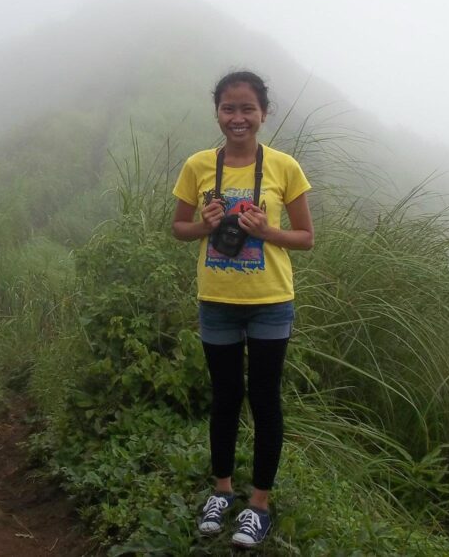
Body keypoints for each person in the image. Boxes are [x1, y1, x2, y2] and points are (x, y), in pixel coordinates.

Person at [171, 71, 314, 549]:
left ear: (263, 113)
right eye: (229, 109)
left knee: (266, 399)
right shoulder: (197, 166)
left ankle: (259, 505)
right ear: (217, 112)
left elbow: (306, 239)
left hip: (271, 302)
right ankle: (222, 491)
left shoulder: (284, 167)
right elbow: (179, 229)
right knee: (226, 397)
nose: (238, 118)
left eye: (247, 109)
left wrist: (266, 232)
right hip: (217, 302)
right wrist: (205, 224)